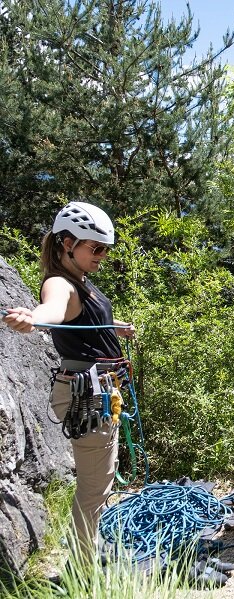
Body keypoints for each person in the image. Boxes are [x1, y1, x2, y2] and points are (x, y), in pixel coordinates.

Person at [2, 201, 134, 559]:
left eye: (105, 249)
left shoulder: (81, 281)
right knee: (95, 486)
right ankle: (81, 570)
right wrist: (33, 317)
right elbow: (53, 310)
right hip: (88, 392)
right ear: (66, 243)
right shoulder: (61, 283)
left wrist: (113, 326)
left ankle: (87, 552)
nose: (102, 256)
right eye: (96, 248)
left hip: (95, 388)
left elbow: (79, 319)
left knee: (101, 478)